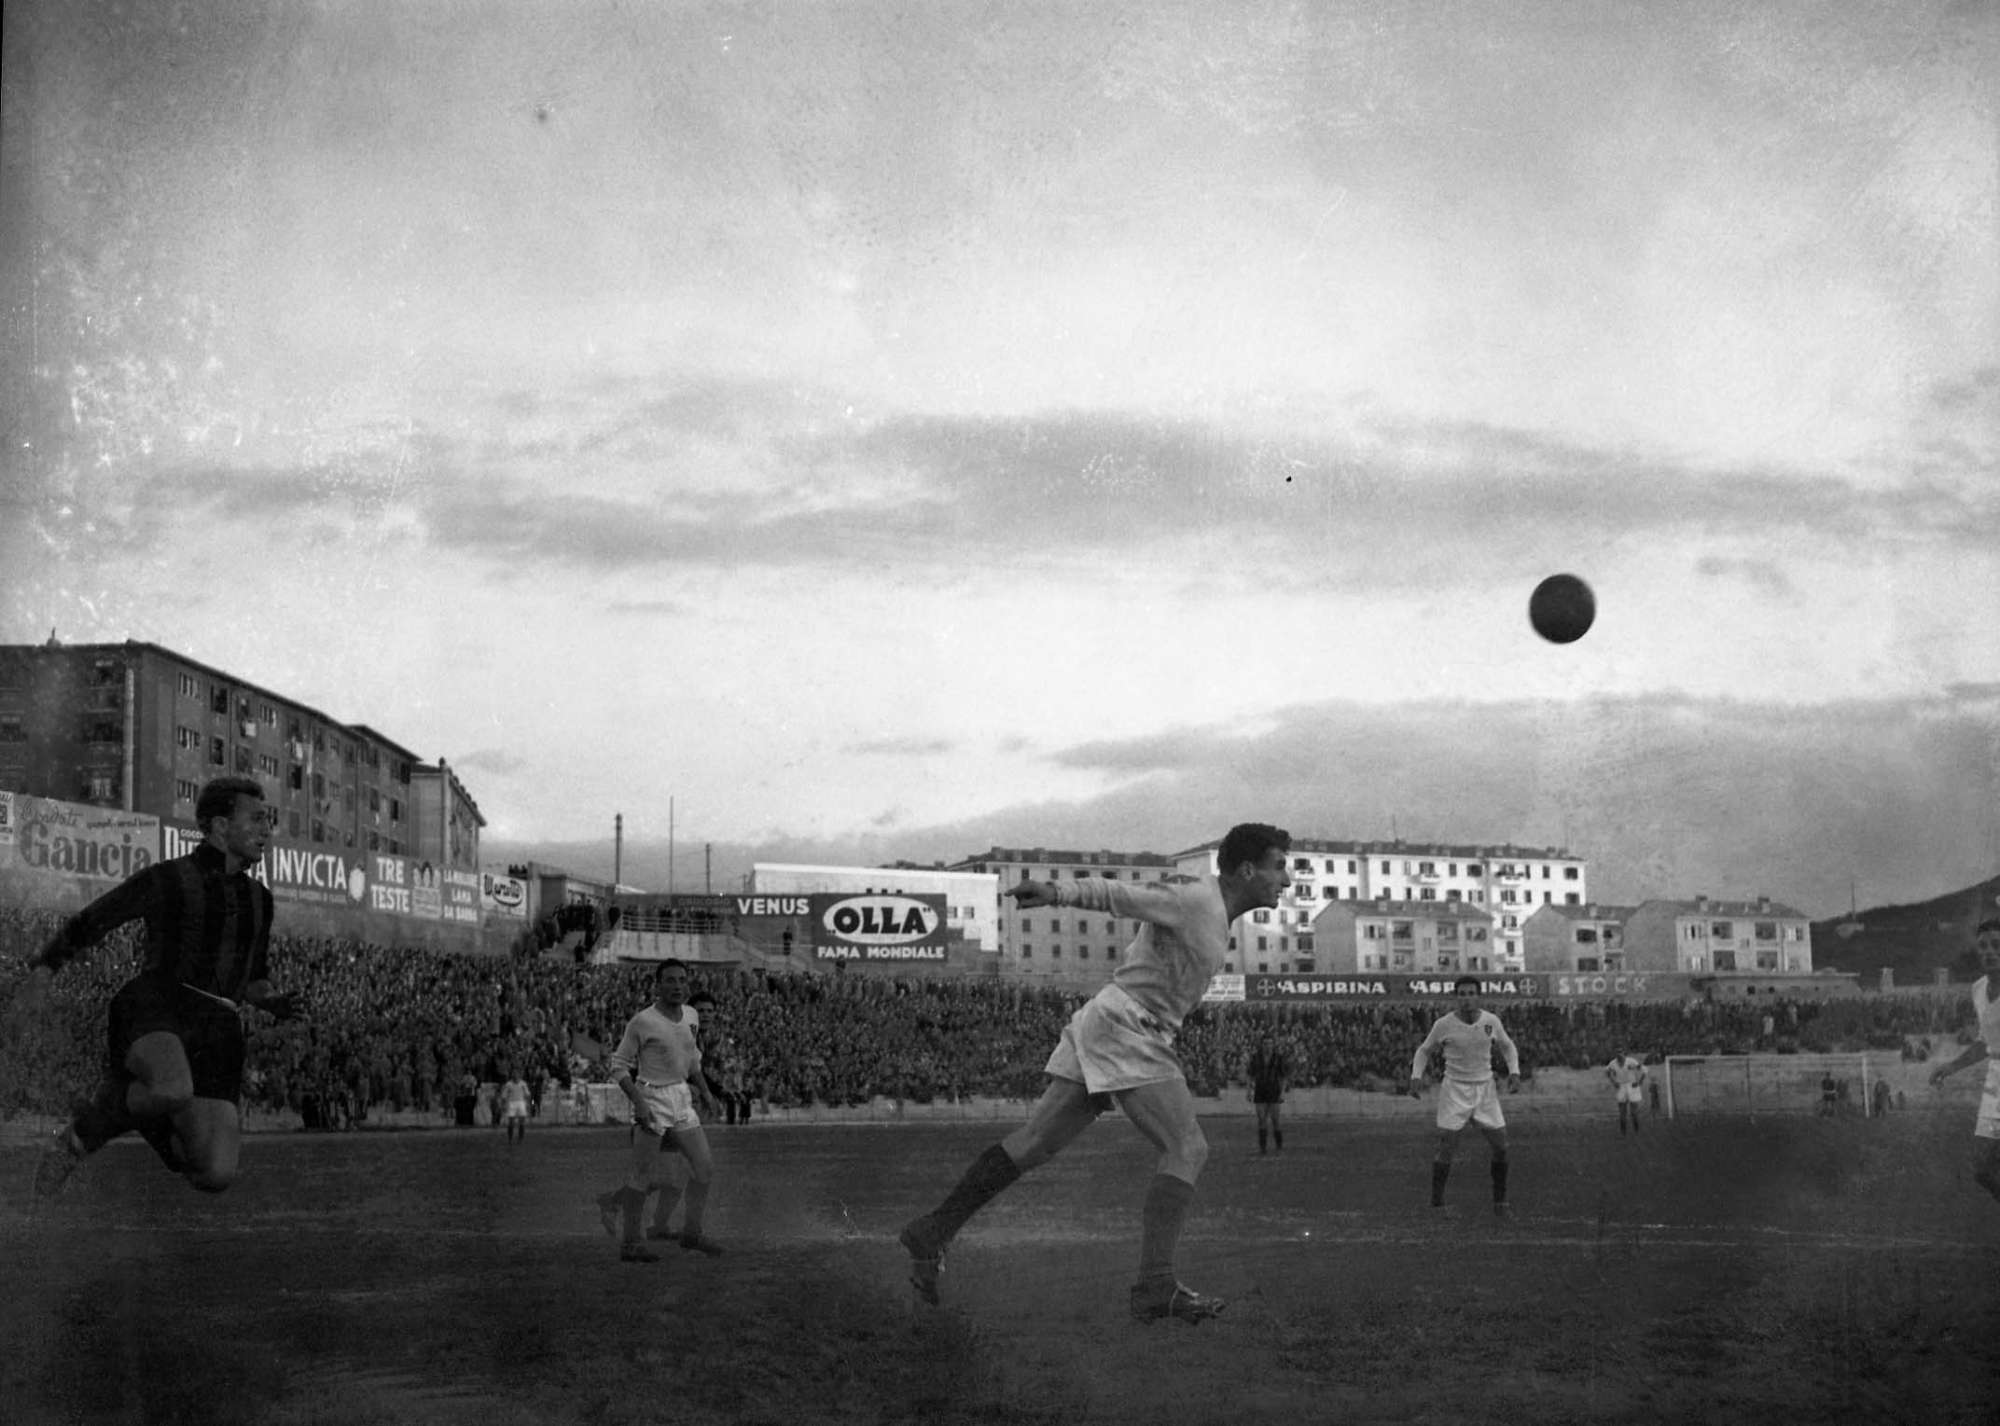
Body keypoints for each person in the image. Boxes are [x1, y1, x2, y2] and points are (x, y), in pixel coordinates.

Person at [898, 823, 1293, 1324]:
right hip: (1130, 1025)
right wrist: (1056, 891)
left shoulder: (1213, 913)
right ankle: (1155, 1285)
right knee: (1187, 1148)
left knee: (1035, 1142)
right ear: (1247, 869)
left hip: (1110, 1019)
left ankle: (934, 1229)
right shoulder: (1198, 899)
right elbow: (1119, 895)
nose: (1286, 880)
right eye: (1280, 867)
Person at [12, 776, 300, 1198]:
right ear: (220, 826)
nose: (266, 830)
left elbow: (253, 976)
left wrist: (271, 999)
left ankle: (127, 1105)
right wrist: (46, 967)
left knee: (212, 1173)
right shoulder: (170, 878)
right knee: (170, 1088)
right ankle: (79, 1138)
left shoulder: (261, 900)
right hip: (159, 1003)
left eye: (267, 821)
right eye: (256, 819)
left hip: (219, 1026)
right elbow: (99, 917)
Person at [592, 959, 726, 1262]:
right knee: (642, 1174)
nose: (677, 986)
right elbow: (618, 1065)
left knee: (704, 1167)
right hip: (652, 1097)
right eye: (670, 980)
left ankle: (691, 1234)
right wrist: (639, 1102)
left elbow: (693, 1061)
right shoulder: (643, 1021)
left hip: (681, 1097)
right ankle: (630, 1244)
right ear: (658, 985)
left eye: (682, 980)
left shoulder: (690, 1015)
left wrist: (706, 1092)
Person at [1409, 976, 1521, 1219]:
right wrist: (1416, 1076)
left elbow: (1507, 1046)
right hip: (1455, 1090)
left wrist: (1514, 1072)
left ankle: (1500, 1203)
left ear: (1478, 996)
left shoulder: (1491, 1021)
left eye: (1471, 993)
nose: (1466, 998)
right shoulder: (1444, 1024)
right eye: (1462, 994)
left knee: (1502, 1147)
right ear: (1456, 997)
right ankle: (1437, 1205)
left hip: (1485, 1090)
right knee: (1446, 1147)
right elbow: (1424, 1050)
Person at [1927, 918, 2000, 1204]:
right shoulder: (1979, 989)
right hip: (1997, 1081)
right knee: (1982, 1168)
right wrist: (1951, 1067)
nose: (1989, 952)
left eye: (1997, 945)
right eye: (1983, 946)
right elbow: (1987, 1042)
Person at [1247, 1033, 1288, 1155]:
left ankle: (1279, 1147)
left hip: (1274, 1090)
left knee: (1275, 1120)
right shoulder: (1256, 1058)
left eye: (1270, 1043)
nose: (1268, 1046)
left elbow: (1284, 1077)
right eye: (1265, 1043)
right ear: (1261, 1044)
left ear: (1273, 1044)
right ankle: (1263, 1148)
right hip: (1260, 1090)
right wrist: (1249, 1090)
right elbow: (1250, 1075)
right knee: (1261, 1120)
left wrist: (1282, 1092)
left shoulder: (1278, 1058)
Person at [1604, 1047, 1647, 1136]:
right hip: (1621, 1087)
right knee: (1622, 1112)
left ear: (1624, 1053)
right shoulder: (1613, 1063)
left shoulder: (1631, 1061)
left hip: (1632, 1086)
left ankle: (1637, 1131)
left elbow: (1644, 1069)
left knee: (1634, 1112)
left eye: (1621, 1052)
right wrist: (1613, 1082)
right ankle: (1623, 1133)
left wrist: (1639, 1082)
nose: (1619, 1054)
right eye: (1617, 1052)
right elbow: (1607, 1071)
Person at [498, 1067, 531, 1145]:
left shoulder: (523, 1084)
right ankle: (510, 1139)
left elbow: (527, 1095)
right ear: (512, 1075)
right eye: (514, 1073)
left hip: (521, 1103)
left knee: (522, 1122)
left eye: (516, 1073)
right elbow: (504, 1095)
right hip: (511, 1103)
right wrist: (503, 1105)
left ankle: (520, 1139)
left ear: (519, 1074)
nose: (515, 1075)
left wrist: (529, 1104)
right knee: (511, 1122)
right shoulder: (508, 1084)